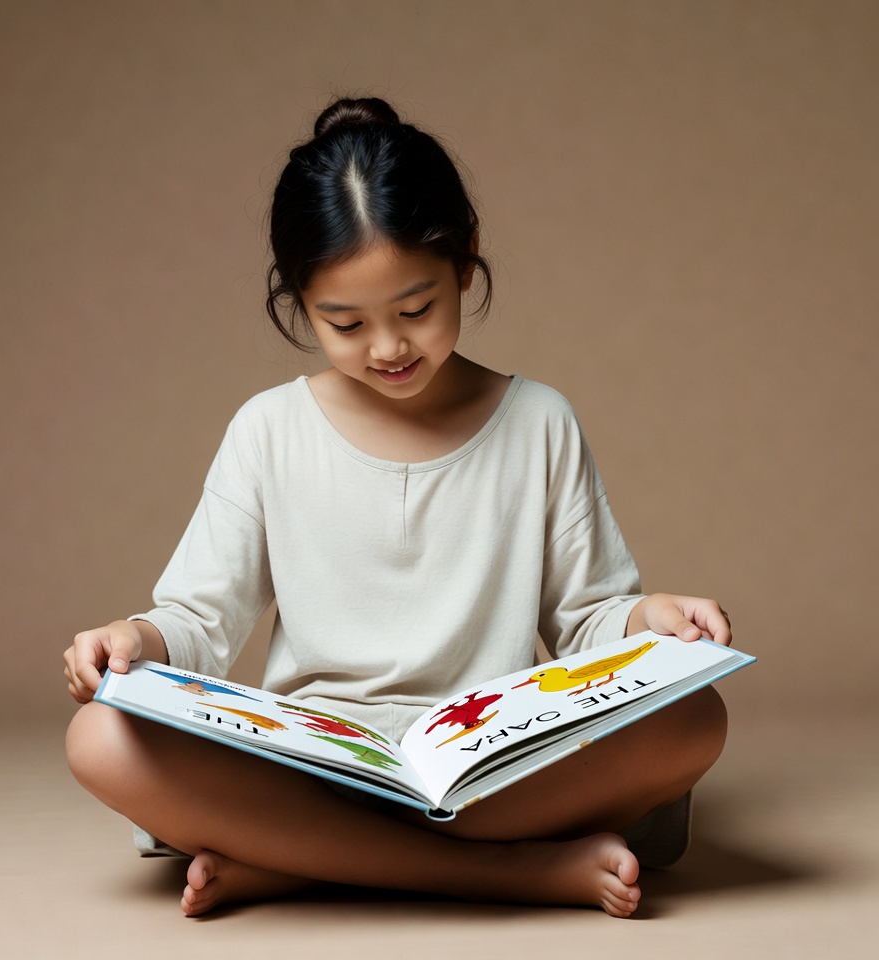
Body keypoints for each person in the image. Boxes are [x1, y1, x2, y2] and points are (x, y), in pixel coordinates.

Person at [64, 96, 731, 920]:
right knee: (99, 737)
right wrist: (134, 638)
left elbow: (587, 619)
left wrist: (647, 621)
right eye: (344, 323)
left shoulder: (538, 420)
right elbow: (202, 620)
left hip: (495, 759)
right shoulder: (269, 430)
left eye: (415, 310)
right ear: (298, 301)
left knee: (693, 719)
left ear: (465, 259)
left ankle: (300, 857)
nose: (388, 349)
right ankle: (510, 875)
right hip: (311, 757)